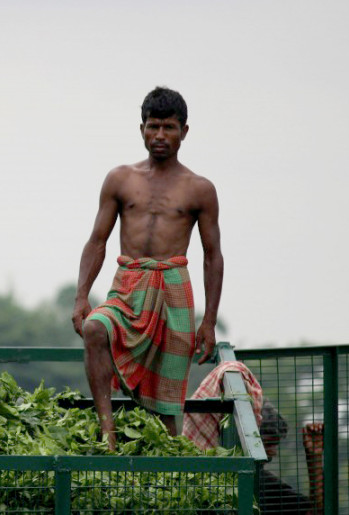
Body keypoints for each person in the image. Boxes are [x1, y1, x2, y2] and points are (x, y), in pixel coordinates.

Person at [72, 86, 224, 449]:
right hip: (129, 282)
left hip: (173, 287)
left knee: (169, 402)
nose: (160, 136)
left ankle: (167, 461)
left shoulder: (199, 189)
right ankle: (106, 432)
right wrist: (81, 296)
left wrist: (209, 321)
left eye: (169, 128)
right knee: (96, 328)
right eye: (153, 126)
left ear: (184, 132)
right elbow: (97, 240)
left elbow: (212, 254)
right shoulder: (121, 179)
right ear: (141, 128)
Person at [258, 401, 325, 514]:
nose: (273, 452)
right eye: (268, 444)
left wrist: (314, 459)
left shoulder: (267, 485)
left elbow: (313, 511)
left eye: (274, 445)